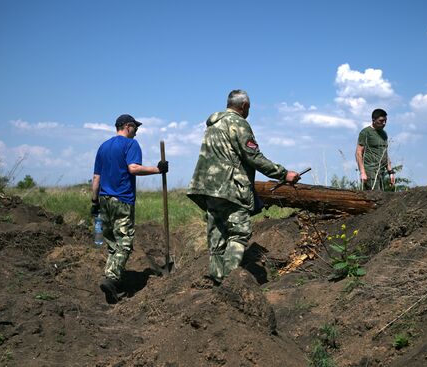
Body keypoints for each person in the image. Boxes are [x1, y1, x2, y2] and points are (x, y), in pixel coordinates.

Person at [187, 90, 300, 284]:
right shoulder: (239, 123)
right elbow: (253, 156)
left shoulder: (213, 125)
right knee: (240, 232)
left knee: (217, 233)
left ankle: (217, 278)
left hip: (208, 187)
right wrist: (284, 174)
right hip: (230, 187)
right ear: (244, 106)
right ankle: (231, 281)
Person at [91, 114, 168, 304]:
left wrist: (94, 201)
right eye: (136, 128)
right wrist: (158, 170)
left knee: (112, 243)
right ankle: (111, 278)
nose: (137, 131)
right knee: (125, 241)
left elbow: (96, 178)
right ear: (128, 126)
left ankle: (113, 281)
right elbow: (133, 168)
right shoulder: (130, 144)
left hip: (104, 199)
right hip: (122, 200)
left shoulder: (103, 147)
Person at [355, 108, 395, 191]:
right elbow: (358, 153)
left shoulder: (384, 134)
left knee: (381, 195)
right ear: (373, 120)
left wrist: (390, 172)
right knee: (375, 197)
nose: (384, 123)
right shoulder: (366, 132)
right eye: (381, 121)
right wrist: (362, 172)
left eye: (385, 121)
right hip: (370, 170)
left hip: (381, 172)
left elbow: (385, 153)